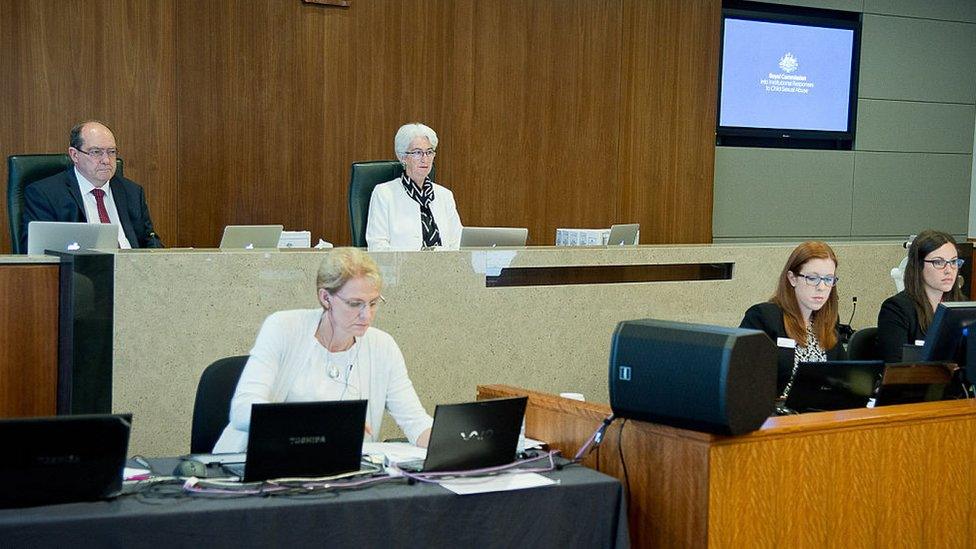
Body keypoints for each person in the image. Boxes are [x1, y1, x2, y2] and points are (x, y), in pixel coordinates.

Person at [213, 248, 433, 453]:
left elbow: (415, 421)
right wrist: (323, 423)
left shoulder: (383, 346)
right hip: (264, 465)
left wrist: (455, 443)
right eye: (355, 304)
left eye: (373, 303)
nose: (367, 315)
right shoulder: (283, 327)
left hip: (344, 472)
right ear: (325, 298)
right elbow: (242, 411)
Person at [21, 120, 163, 252]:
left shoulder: (132, 192)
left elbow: (150, 241)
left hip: (133, 272)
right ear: (74, 155)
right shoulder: (45, 194)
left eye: (111, 152)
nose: (106, 160)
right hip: (78, 274)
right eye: (96, 152)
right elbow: (37, 252)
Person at [740, 241, 845, 401]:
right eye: (812, 278)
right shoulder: (764, 317)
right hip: (776, 416)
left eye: (828, 279)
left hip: (820, 413)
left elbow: (844, 375)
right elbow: (744, 380)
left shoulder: (828, 321)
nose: (822, 287)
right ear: (792, 278)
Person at [366, 123, 462, 251]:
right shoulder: (384, 193)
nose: (425, 159)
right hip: (401, 269)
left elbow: (459, 244)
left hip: (444, 268)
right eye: (417, 152)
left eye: (429, 152)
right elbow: (377, 247)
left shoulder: (445, 195)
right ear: (403, 157)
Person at [877, 230, 964, 363]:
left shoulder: (962, 306)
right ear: (919, 265)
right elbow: (897, 369)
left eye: (953, 262)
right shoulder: (896, 309)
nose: (949, 270)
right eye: (939, 262)